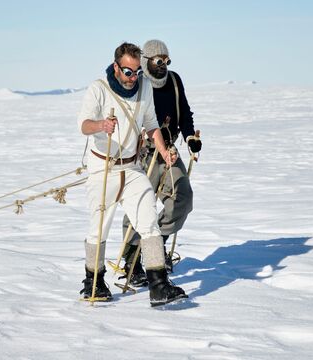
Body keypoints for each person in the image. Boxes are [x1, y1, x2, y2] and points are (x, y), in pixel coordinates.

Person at [77, 42, 187, 306]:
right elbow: (84, 125)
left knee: (148, 221)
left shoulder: (144, 87)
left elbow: (151, 124)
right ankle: (93, 283)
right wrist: (101, 125)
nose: (132, 78)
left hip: (132, 167)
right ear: (116, 66)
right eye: (128, 72)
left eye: (137, 72)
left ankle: (158, 285)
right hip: (103, 168)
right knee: (99, 229)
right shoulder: (99, 89)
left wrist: (163, 151)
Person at [121, 39, 202, 288]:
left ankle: (158, 245)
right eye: (159, 61)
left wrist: (189, 137)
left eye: (167, 61)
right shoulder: (138, 83)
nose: (164, 65)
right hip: (141, 151)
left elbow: (185, 112)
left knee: (183, 197)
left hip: (170, 151)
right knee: (139, 206)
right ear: (147, 61)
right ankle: (132, 261)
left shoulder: (175, 81)